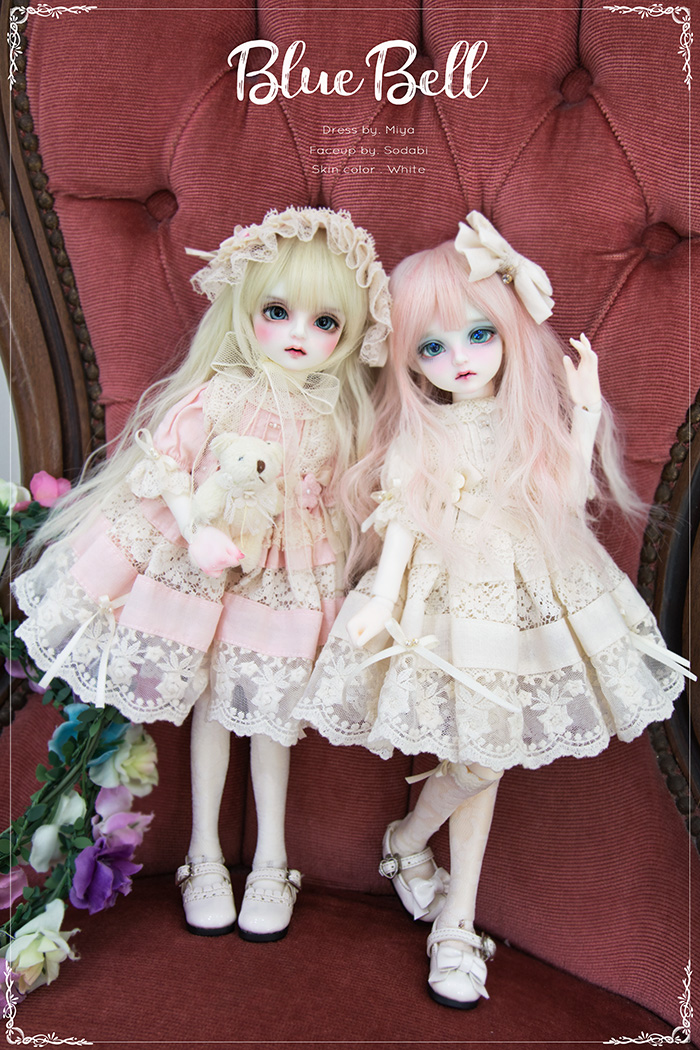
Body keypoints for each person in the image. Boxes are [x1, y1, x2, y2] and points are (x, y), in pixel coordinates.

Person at [295, 212, 690, 1008]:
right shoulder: (423, 434)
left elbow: (568, 499)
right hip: (444, 600)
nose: (459, 359)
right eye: (432, 348)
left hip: (526, 593)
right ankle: (452, 919)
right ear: (408, 360)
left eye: (478, 335)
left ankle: (416, 851)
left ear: (510, 330)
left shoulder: (523, 423)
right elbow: (405, 524)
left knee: (485, 755)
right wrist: (379, 607)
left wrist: (584, 408)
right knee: (480, 754)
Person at [13, 206, 391, 942]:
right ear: (245, 310)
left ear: (349, 337)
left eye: (324, 323)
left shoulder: (335, 415)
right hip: (202, 567)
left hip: (287, 578)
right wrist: (196, 532)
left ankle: (274, 860)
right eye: (277, 312)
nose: (297, 334)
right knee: (215, 709)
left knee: (272, 716)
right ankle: (205, 856)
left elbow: (347, 501)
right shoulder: (219, 394)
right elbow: (167, 469)